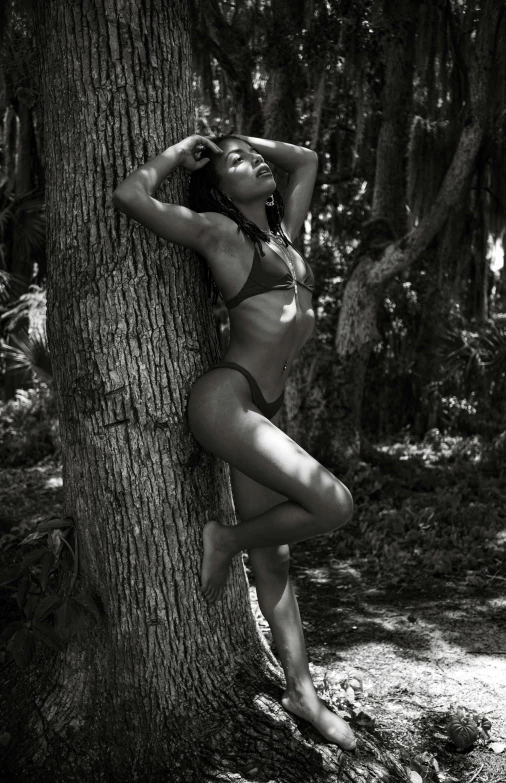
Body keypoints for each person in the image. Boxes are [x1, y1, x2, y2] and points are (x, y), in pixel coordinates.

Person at [112, 133, 357, 751]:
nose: (256, 162)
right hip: (228, 400)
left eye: (254, 155)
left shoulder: (286, 239)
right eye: (237, 162)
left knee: (276, 557)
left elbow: (306, 157)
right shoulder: (219, 233)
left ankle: (301, 693)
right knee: (334, 505)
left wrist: (236, 139)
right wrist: (182, 151)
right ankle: (223, 539)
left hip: (263, 409)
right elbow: (130, 196)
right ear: (219, 188)